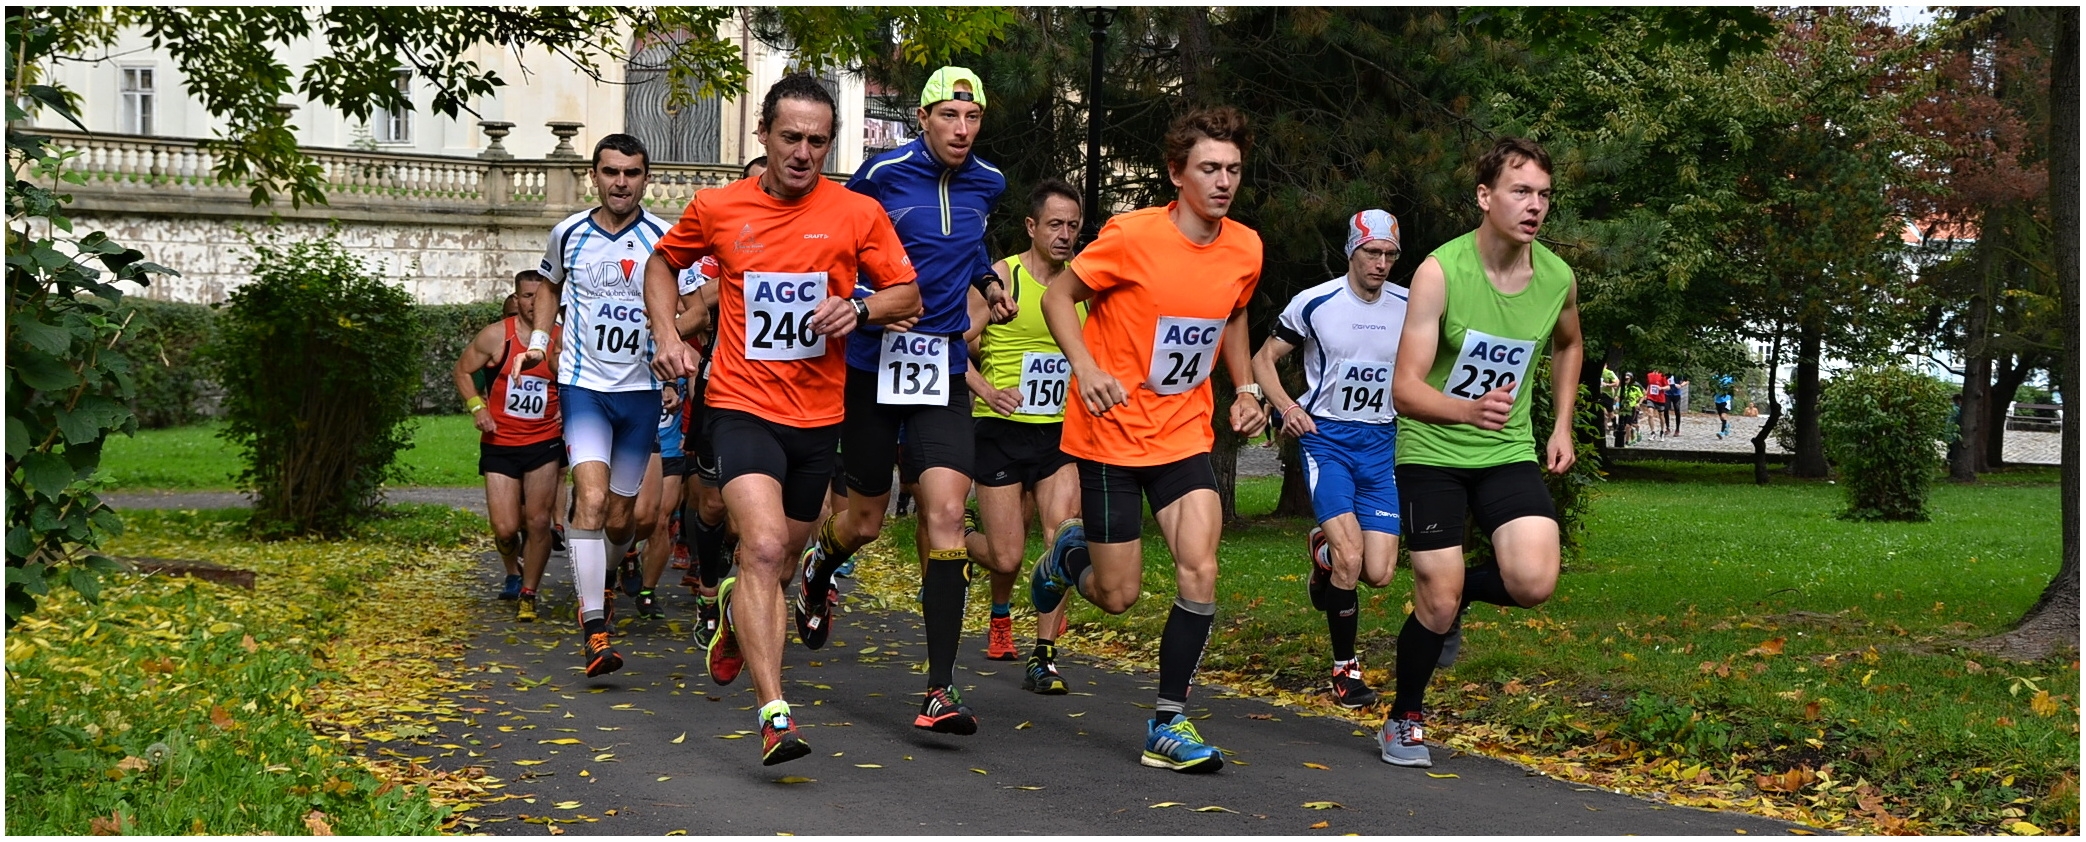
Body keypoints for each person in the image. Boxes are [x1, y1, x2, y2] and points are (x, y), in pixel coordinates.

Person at [644, 73, 922, 766]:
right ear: (763, 135)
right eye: (791, 137)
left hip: (817, 417)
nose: (803, 152)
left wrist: (858, 308)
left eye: (818, 141)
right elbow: (661, 262)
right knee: (764, 546)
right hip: (740, 405)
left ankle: (743, 612)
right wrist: (667, 336)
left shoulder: (855, 213)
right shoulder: (718, 206)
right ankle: (774, 714)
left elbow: (907, 292)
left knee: (783, 560)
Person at [1030, 106, 1268, 773]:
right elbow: (1057, 297)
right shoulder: (1130, 237)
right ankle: (1063, 560)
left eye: (1233, 170)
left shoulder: (1245, 247)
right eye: (1209, 169)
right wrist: (1085, 364)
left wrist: (1245, 388)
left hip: (1184, 432)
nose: (1223, 182)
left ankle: (1169, 720)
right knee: (1117, 595)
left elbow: (1234, 313)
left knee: (1201, 566)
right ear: (1176, 172)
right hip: (1111, 434)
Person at [794, 66, 1013, 737]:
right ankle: (819, 565)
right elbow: (838, 243)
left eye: (972, 119)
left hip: (940, 365)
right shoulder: (880, 174)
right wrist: (869, 306)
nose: (962, 129)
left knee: (947, 512)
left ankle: (940, 689)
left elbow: (966, 239)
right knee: (862, 520)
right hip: (870, 365)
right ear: (923, 119)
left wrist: (988, 282)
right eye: (949, 116)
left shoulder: (990, 181)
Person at [1383, 136, 1583, 768]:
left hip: (1505, 450)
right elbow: (1405, 389)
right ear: (1485, 195)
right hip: (1433, 449)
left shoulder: (1556, 277)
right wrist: (1467, 409)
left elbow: (1569, 343)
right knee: (1435, 601)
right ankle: (1403, 718)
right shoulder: (1440, 272)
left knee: (1534, 581)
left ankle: (1458, 592)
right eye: (1521, 191)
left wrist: (1562, 426)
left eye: (1544, 195)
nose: (1534, 206)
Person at [521, 134, 683, 677]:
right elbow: (547, 286)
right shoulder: (567, 232)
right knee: (589, 502)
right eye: (611, 172)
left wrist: (672, 343)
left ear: (645, 178)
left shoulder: (665, 238)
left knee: (624, 519)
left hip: (640, 392)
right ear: (594, 175)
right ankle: (595, 628)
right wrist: (540, 343)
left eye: (632, 173)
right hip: (584, 384)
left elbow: (697, 301)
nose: (621, 182)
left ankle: (606, 580)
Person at [1249, 208, 1408, 710]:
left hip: (1381, 444)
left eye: (1389, 255)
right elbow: (1263, 358)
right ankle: (1345, 670)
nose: (1380, 264)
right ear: (1351, 252)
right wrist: (1286, 407)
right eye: (1371, 253)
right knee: (1353, 558)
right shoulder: (1316, 302)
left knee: (1379, 572)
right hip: (1328, 440)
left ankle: (1322, 552)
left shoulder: (1409, 304)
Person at [962, 178, 1084, 693]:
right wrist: (987, 390)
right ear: (1031, 227)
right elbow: (950, 347)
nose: (1064, 235)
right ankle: (959, 538)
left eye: (1073, 226)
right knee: (1007, 556)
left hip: (1061, 433)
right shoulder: (998, 278)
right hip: (999, 430)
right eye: (1054, 224)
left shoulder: (1083, 284)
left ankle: (1044, 653)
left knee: (1063, 542)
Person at [455, 269, 563, 622]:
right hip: (500, 442)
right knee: (505, 528)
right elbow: (462, 371)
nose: (534, 303)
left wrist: (569, 414)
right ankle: (513, 567)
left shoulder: (560, 339)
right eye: (527, 296)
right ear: (516, 299)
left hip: (544, 442)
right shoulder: (496, 336)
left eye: (539, 295)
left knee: (538, 520)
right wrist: (478, 409)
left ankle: (529, 594)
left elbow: (580, 383)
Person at [1714, 374, 1734, 438]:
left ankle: (1722, 432)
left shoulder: (1730, 378)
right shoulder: (1715, 377)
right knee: (1721, 418)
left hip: (1726, 400)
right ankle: (1726, 426)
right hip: (1717, 400)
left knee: (1723, 416)